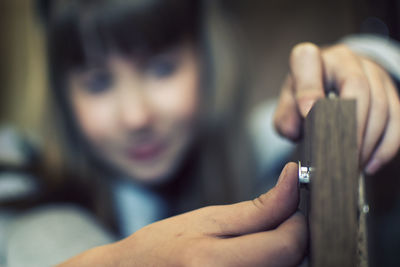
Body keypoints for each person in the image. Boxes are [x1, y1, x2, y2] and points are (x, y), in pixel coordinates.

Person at [2, 0, 400, 266]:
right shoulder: (16, 170)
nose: (136, 116)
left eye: (161, 69)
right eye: (98, 82)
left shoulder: (258, 149)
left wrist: (368, 67)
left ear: (207, 60)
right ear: (62, 94)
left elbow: (332, 96)